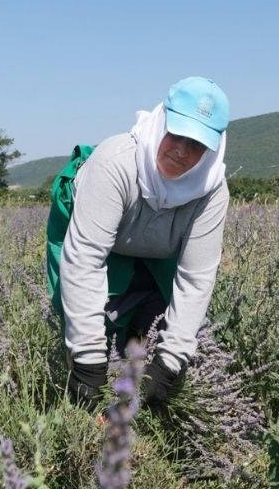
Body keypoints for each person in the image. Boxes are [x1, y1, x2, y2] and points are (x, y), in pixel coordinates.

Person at [46, 76, 230, 410]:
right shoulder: (116, 162)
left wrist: (169, 365)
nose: (182, 151)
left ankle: (132, 376)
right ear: (161, 122)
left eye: (197, 144)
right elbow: (84, 259)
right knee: (82, 316)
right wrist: (88, 365)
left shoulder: (212, 190)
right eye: (176, 134)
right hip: (94, 229)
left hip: (156, 245)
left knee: (155, 321)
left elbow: (196, 278)